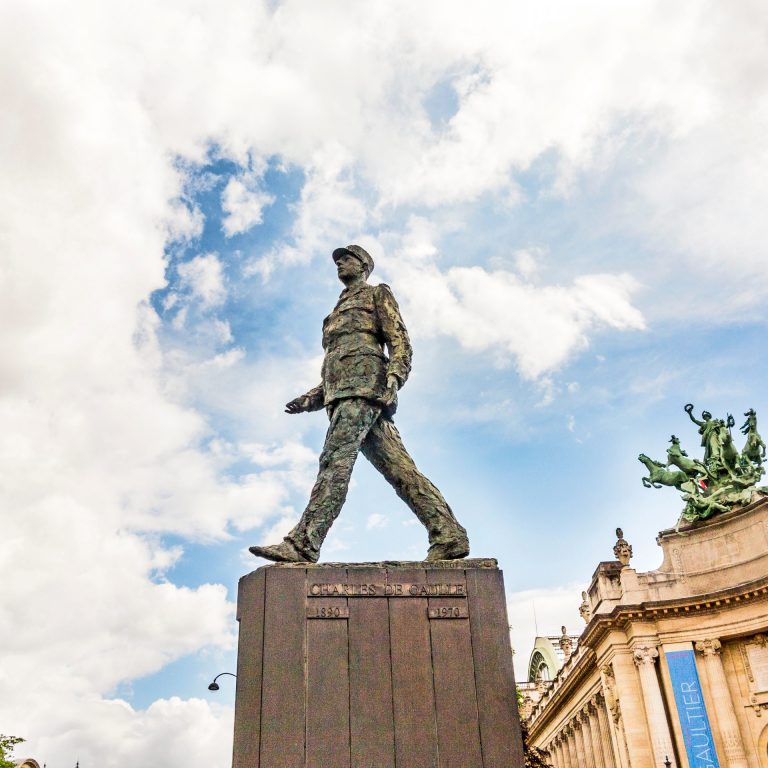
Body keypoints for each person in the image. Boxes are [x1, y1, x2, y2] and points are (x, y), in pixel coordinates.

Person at [249, 244, 469, 563]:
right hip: (344, 393)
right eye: (338, 261)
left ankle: (303, 544)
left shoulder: (377, 294)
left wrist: (394, 379)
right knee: (400, 469)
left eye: (347, 259)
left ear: (363, 265)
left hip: (367, 389)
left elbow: (399, 342)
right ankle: (448, 535)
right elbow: (336, 365)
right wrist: (309, 399)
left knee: (335, 460)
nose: (340, 264)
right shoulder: (335, 312)